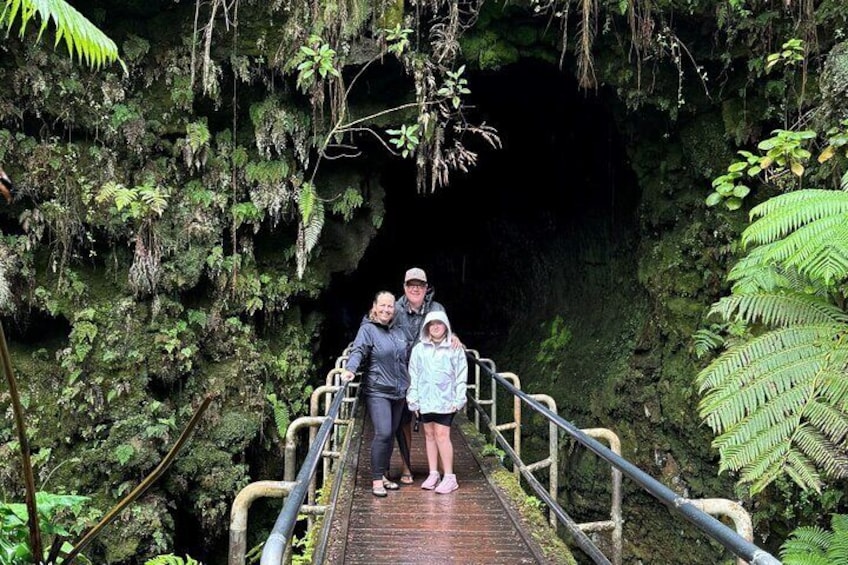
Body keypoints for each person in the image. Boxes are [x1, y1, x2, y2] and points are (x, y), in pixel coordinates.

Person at [392, 267, 460, 484]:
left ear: (426, 287)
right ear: (404, 287)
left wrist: (455, 337)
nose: (415, 289)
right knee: (403, 420)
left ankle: (442, 471)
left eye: (419, 285)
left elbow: (445, 330)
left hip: (430, 374)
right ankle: (406, 467)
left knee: (437, 425)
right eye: (411, 285)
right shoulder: (394, 309)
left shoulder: (436, 308)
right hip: (402, 371)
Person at [340, 291, 410, 497]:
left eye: (390, 306)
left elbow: (408, 355)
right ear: (374, 307)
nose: (387, 309)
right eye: (383, 305)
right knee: (384, 432)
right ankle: (377, 479)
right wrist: (350, 369)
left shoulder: (398, 331)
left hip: (399, 391)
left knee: (391, 433)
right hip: (378, 390)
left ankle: (385, 475)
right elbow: (358, 350)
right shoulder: (368, 330)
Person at [406, 310, 467, 494]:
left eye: (439, 324)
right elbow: (413, 375)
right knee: (429, 435)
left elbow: (461, 374)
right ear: (426, 327)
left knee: (442, 435)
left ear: (446, 326)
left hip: (445, 399)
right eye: (431, 324)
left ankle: (449, 476)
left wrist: (459, 398)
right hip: (425, 398)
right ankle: (433, 473)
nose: (435, 327)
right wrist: (413, 399)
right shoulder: (419, 349)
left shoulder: (454, 348)